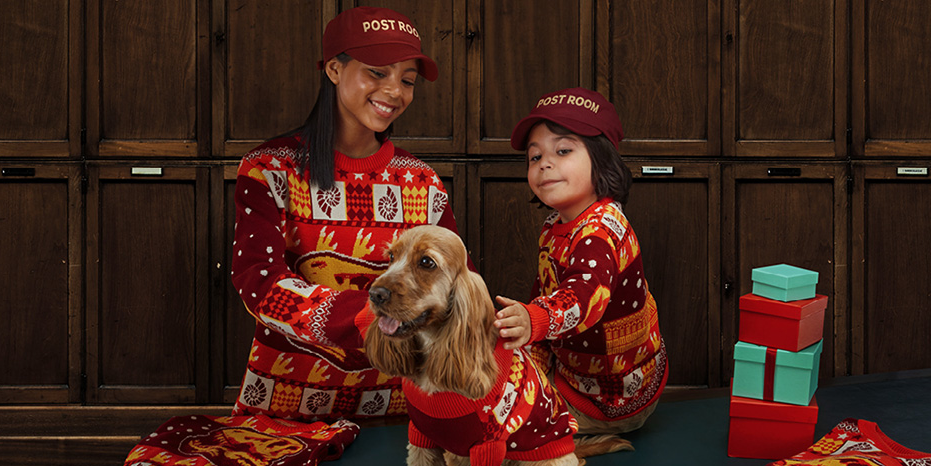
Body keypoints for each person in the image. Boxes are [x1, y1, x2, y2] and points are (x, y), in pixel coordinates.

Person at [230, 6, 463, 420]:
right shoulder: (269, 169)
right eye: (378, 72)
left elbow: (455, 286)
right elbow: (258, 282)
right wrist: (371, 312)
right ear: (335, 70)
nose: (395, 91)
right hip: (284, 408)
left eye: (407, 80)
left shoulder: (424, 184)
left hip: (396, 409)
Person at [493, 87, 668, 435]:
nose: (545, 163)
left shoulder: (601, 230)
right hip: (573, 371)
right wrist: (529, 338)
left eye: (563, 150)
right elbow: (545, 291)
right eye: (534, 157)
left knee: (501, 423)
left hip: (610, 396)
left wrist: (536, 320)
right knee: (498, 368)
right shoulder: (554, 227)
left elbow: (585, 297)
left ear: (601, 160)